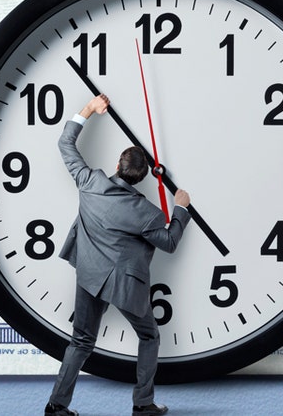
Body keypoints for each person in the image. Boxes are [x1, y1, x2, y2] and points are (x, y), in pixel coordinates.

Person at [45, 94, 192, 416]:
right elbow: (168, 242)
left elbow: (65, 143)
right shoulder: (146, 212)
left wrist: (89, 109)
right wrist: (181, 208)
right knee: (149, 336)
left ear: (117, 165)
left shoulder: (89, 182)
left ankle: (56, 406)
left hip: (89, 274)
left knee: (81, 341)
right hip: (124, 284)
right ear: (141, 178)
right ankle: (143, 405)